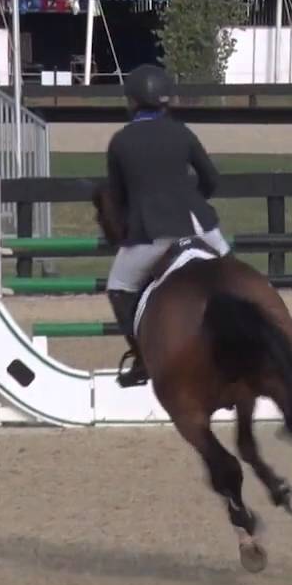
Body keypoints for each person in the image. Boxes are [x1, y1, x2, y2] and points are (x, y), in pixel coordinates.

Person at [104, 63, 231, 386]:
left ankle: (143, 359)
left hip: (154, 232)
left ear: (132, 101)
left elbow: (118, 199)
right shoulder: (182, 132)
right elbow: (211, 178)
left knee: (118, 287)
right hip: (200, 226)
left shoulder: (121, 142)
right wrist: (194, 200)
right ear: (165, 100)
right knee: (234, 276)